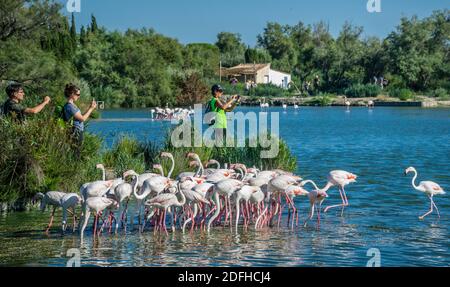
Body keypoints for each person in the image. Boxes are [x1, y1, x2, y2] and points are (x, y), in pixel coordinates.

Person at [62, 83, 97, 158]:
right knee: (76, 153)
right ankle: (74, 167)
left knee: (77, 151)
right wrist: (91, 108)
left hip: (77, 131)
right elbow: (83, 119)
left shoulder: (72, 105)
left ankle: (74, 166)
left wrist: (90, 108)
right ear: (72, 94)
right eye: (77, 94)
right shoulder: (69, 106)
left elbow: (80, 116)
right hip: (75, 131)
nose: (79, 96)